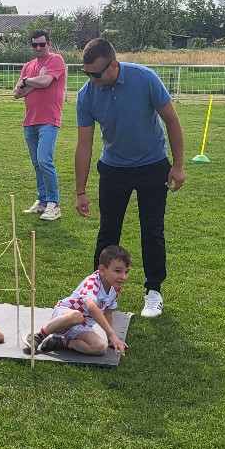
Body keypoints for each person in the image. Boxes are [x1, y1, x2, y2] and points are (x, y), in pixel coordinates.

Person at [74, 38, 185, 319]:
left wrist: (178, 166)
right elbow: (84, 144)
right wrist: (80, 191)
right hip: (114, 168)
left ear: (114, 65)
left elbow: (172, 120)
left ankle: (153, 291)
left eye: (96, 74)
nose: (92, 80)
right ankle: (98, 294)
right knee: (108, 232)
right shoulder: (86, 95)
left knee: (152, 230)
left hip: (153, 165)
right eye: (87, 73)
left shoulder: (145, 78)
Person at [22, 244, 130, 357]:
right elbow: (92, 307)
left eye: (126, 272)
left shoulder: (115, 288)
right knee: (77, 316)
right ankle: (38, 336)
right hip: (65, 314)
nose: (123, 277)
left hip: (82, 326)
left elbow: (108, 313)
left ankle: (61, 342)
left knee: (100, 347)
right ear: (102, 270)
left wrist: (110, 339)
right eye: (118, 271)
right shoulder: (92, 282)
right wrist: (111, 334)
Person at [14, 30, 69, 222]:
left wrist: (27, 82)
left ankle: (54, 204)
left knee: (44, 160)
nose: (38, 48)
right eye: (34, 45)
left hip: (49, 120)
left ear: (49, 44)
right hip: (30, 121)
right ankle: (43, 201)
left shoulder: (56, 60)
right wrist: (32, 83)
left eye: (41, 44)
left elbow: (45, 82)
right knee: (37, 163)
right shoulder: (28, 66)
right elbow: (17, 93)